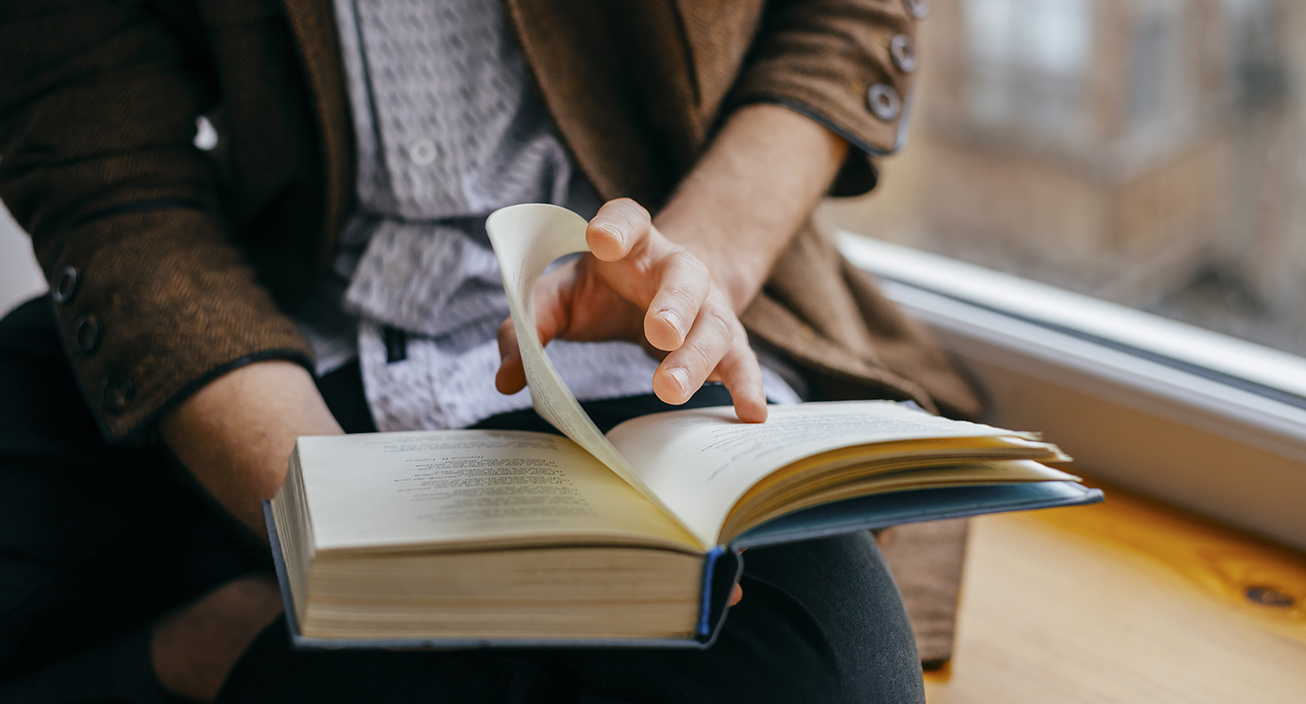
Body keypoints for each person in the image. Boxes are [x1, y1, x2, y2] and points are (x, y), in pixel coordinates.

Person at [0, 1, 979, 702]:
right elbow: (108, 169)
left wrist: (698, 268)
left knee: (816, 673)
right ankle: (254, 642)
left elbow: (838, 19)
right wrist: (333, 536)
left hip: (629, 355)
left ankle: (234, 648)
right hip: (272, 342)